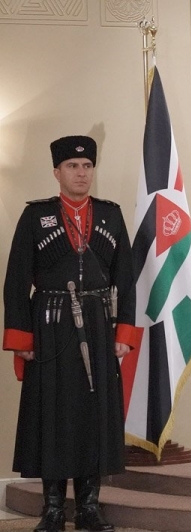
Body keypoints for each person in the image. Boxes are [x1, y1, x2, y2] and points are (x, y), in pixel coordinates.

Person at [3, 135, 139, 532]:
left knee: (94, 415)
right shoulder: (36, 217)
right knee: (53, 413)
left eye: (87, 166)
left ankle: (89, 508)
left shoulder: (111, 215)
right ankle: (52, 509)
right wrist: (22, 340)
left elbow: (127, 279)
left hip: (98, 324)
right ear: (56, 172)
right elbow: (15, 282)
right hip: (49, 325)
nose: (81, 173)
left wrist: (123, 332)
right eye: (72, 167)